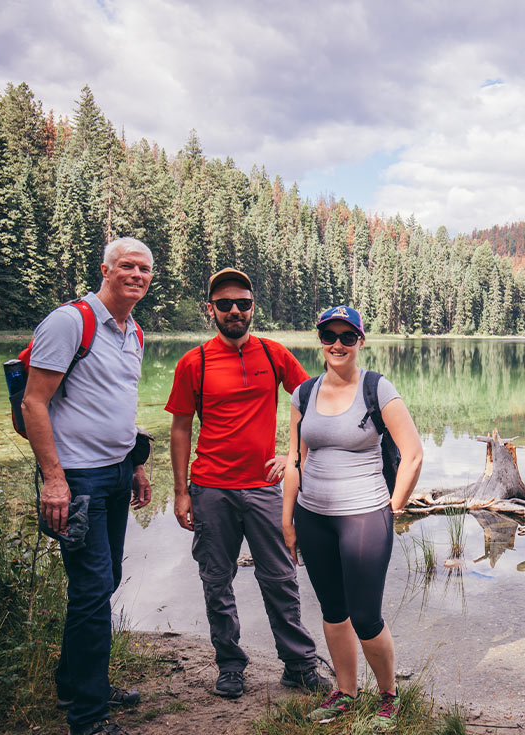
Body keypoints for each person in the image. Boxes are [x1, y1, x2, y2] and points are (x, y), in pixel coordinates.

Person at [165, 268, 327, 699]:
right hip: (210, 488)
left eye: (243, 303)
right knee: (216, 580)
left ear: (253, 307)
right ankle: (230, 665)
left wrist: (292, 457)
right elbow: (181, 429)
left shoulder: (274, 355)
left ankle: (298, 665)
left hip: (263, 488)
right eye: (225, 304)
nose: (235, 310)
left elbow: (314, 403)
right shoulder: (193, 362)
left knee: (280, 577)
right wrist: (181, 491)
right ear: (211, 310)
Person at [22, 237, 155, 735]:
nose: (136, 275)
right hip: (77, 480)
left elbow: (115, 405)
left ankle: (77, 684)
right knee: (92, 589)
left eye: (144, 268)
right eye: (127, 266)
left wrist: (136, 465)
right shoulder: (69, 322)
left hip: (117, 473)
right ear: (105, 268)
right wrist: (54, 480)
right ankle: (88, 716)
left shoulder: (133, 331)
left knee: (102, 584)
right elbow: (36, 403)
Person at [282, 305, 423, 732]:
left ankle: (388, 696)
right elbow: (294, 458)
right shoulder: (303, 394)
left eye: (347, 337)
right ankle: (345, 692)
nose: (338, 345)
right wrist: (287, 520)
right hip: (314, 516)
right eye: (330, 336)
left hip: (365, 515)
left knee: (365, 615)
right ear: (320, 340)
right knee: (332, 610)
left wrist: (392, 507)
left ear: (361, 341)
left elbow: (413, 453)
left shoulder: (377, 389)